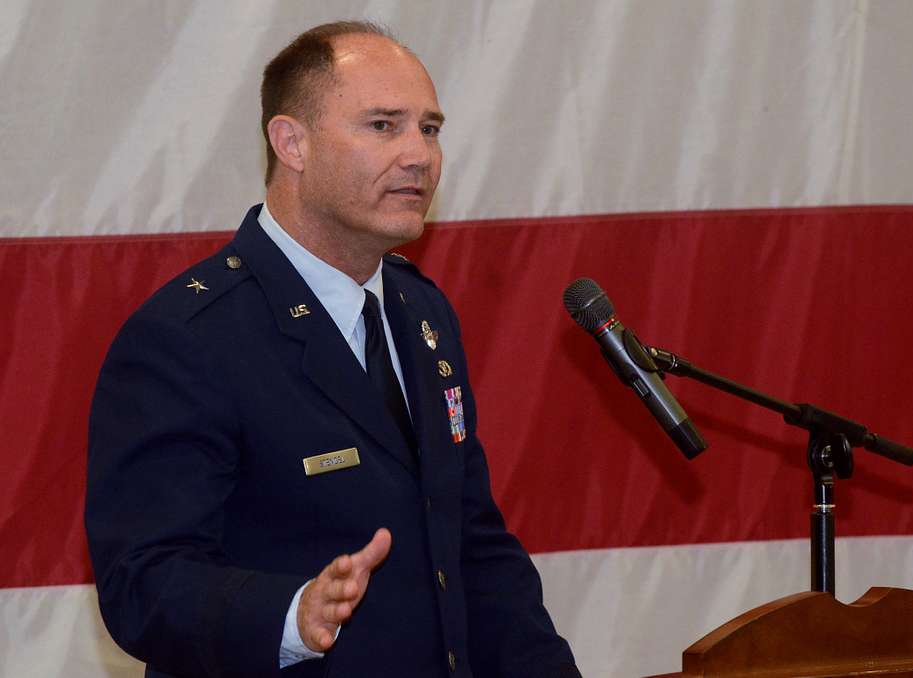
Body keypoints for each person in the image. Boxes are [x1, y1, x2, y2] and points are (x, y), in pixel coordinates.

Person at [86, 20, 580, 678]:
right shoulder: (187, 336)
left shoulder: (422, 312)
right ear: (291, 142)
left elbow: (472, 546)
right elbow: (142, 583)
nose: (419, 155)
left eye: (429, 129)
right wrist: (292, 616)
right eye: (383, 125)